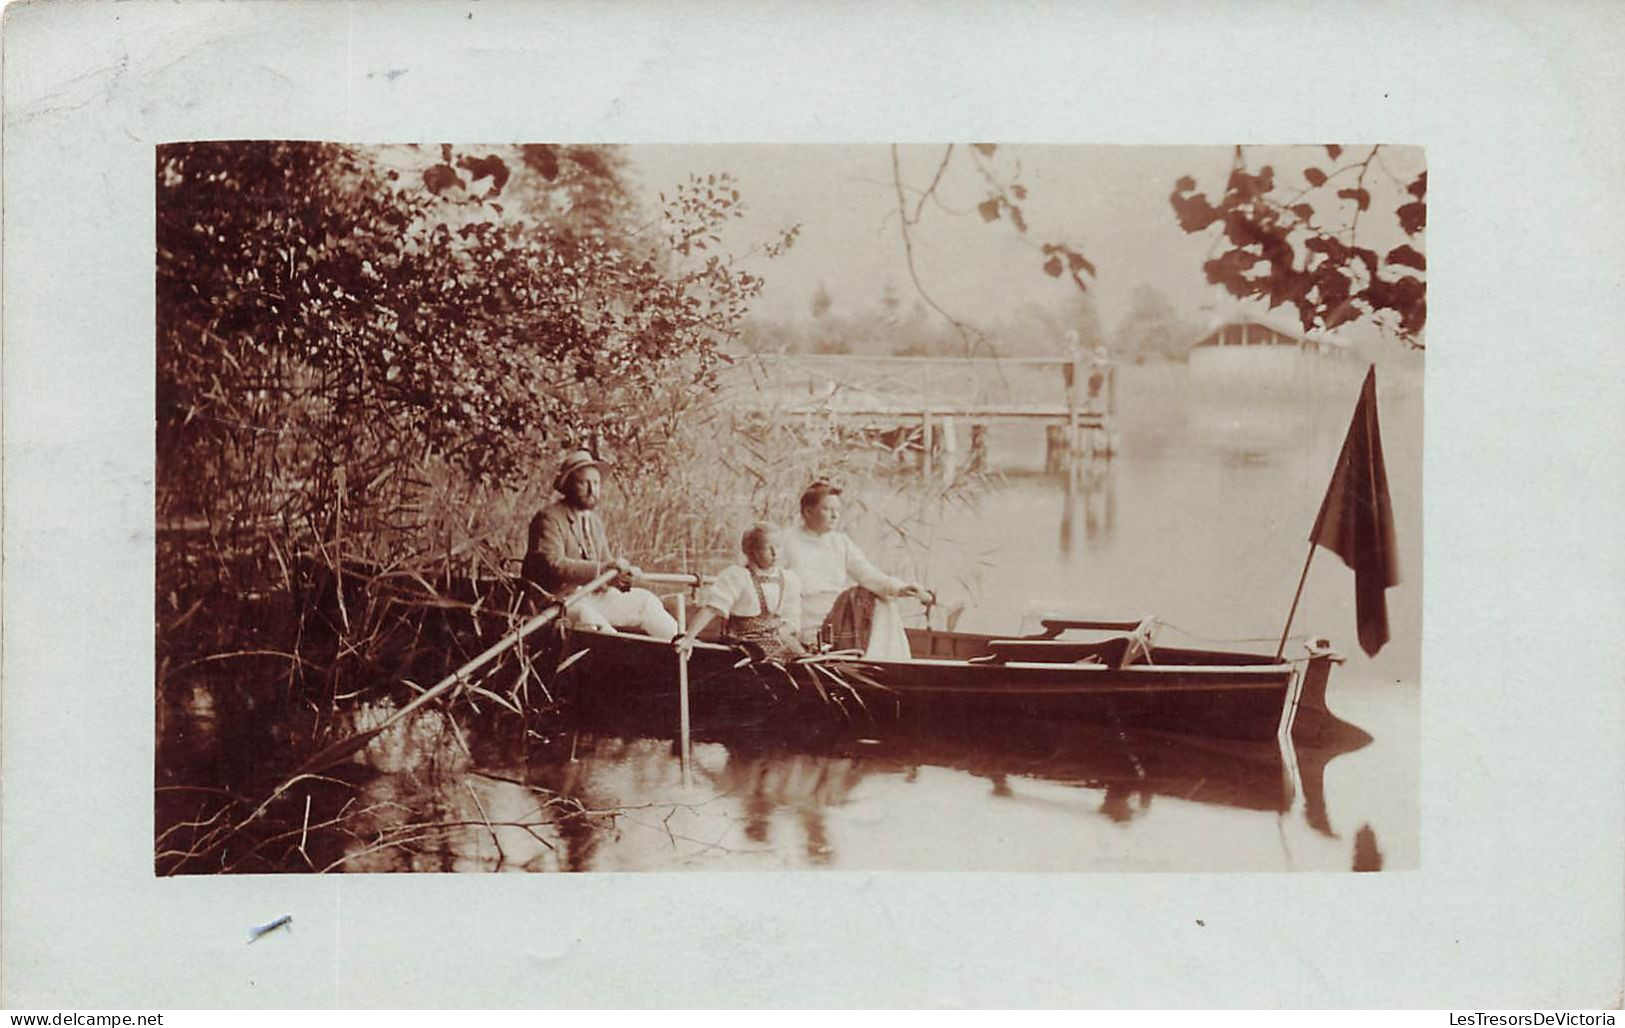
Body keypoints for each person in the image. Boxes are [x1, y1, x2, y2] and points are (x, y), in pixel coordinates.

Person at [521, 449, 679, 640]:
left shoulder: (594, 522)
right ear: (569, 486)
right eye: (584, 483)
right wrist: (600, 570)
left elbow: (606, 563)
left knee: (646, 601)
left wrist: (621, 574)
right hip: (559, 601)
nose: (592, 490)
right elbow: (553, 564)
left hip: (593, 596)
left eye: (596, 483)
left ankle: (686, 650)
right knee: (589, 618)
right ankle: (621, 660)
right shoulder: (549, 518)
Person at [781, 480, 929, 659]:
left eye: (838, 510)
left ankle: (885, 661)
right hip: (805, 614)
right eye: (827, 509)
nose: (835, 516)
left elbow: (867, 573)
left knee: (881, 599)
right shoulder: (786, 541)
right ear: (808, 511)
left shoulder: (840, 542)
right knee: (863, 597)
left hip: (836, 612)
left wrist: (900, 588)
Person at [674, 522, 805, 662]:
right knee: (763, 658)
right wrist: (689, 638)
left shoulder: (789, 579)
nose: (775, 553)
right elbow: (713, 608)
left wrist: (781, 632)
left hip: (776, 638)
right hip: (743, 641)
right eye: (767, 548)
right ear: (750, 551)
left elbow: (792, 618)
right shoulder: (737, 577)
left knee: (802, 661)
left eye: (778, 546)